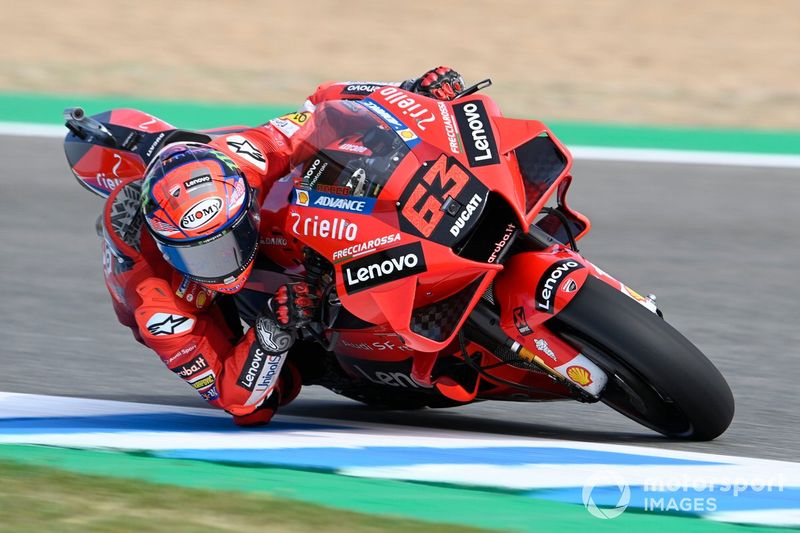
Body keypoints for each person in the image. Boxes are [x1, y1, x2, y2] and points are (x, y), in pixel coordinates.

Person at [102, 67, 466, 426]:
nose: (222, 262)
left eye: (228, 241)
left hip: (248, 193)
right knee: (280, 386)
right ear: (168, 250)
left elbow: (322, 105)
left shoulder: (248, 158)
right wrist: (271, 329)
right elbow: (239, 403)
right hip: (196, 301)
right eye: (200, 254)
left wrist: (408, 92)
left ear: (246, 209)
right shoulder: (159, 311)